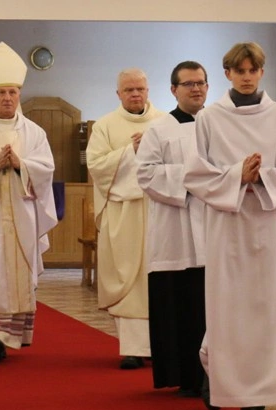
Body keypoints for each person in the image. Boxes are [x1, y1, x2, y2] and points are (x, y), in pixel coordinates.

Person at [183, 42, 276, 410]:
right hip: (228, 222)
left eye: (253, 71)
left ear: (261, 72)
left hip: (266, 223)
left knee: (265, 311)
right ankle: (220, 377)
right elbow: (195, 173)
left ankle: (255, 399)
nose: (247, 77)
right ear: (228, 74)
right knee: (228, 308)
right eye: (240, 71)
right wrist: (237, 175)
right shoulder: (210, 118)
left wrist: (262, 176)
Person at [0, 42, 58, 363]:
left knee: (13, 275)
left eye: (13, 92)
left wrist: (21, 165)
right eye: (1, 92)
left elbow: (46, 169)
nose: (7, 98)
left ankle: (4, 337)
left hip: (21, 216)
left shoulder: (34, 132)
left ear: (19, 95)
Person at [136, 61, 208, 396]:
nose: (196, 89)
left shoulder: (219, 125)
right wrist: (192, 178)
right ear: (173, 90)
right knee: (178, 303)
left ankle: (212, 376)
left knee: (207, 305)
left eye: (201, 83)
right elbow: (146, 173)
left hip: (212, 226)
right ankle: (182, 376)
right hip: (174, 229)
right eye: (189, 84)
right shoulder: (159, 129)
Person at [86, 68, 164, 369]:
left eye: (140, 89)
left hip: (158, 211)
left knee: (156, 279)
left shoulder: (164, 123)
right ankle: (132, 348)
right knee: (128, 280)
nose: (135, 94)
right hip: (123, 213)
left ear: (148, 91)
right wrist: (131, 151)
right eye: (129, 90)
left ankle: (159, 346)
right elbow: (96, 166)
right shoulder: (105, 126)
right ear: (118, 93)